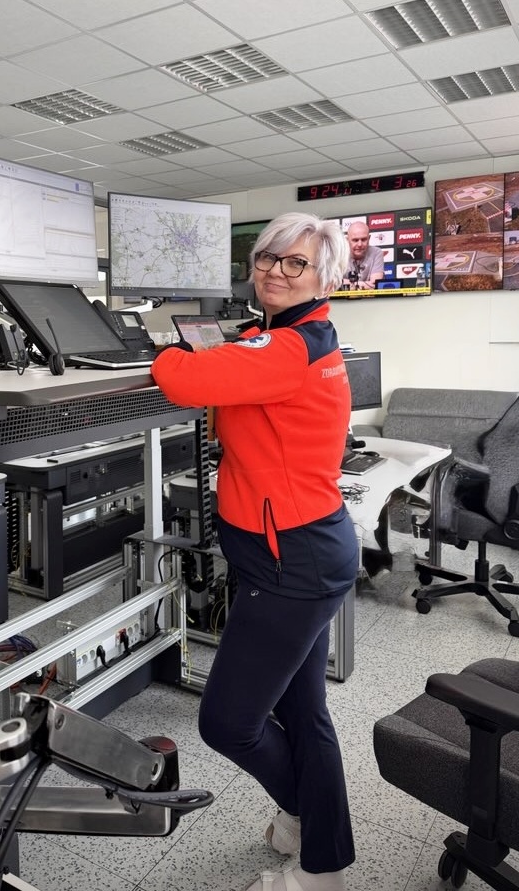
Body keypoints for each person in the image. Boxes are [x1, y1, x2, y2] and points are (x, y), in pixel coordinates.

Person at [151, 211, 358, 891]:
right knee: (303, 712)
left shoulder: (287, 349)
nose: (276, 270)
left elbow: (180, 380)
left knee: (229, 723)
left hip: (290, 562)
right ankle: (319, 858)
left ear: (324, 278)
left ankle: (310, 826)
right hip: (305, 551)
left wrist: (162, 350)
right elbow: (245, 365)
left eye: (296, 263)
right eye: (269, 257)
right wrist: (230, 346)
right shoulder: (298, 338)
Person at [343, 221, 384, 290]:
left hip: (369, 297)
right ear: (347, 240)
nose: (360, 244)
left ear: (369, 238)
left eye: (363, 239)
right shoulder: (339, 254)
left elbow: (376, 284)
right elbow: (334, 284)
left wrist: (347, 285)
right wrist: (366, 285)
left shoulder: (376, 252)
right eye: (355, 240)